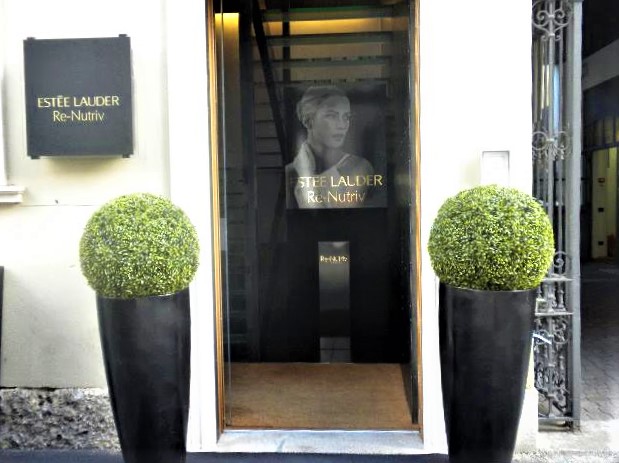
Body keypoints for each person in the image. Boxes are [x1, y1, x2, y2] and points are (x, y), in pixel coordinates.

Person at [285, 86, 375, 209]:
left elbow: (335, 218)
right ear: (308, 121)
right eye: (332, 116)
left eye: (346, 117)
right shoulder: (290, 171)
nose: (342, 125)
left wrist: (306, 174)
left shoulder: (359, 167)